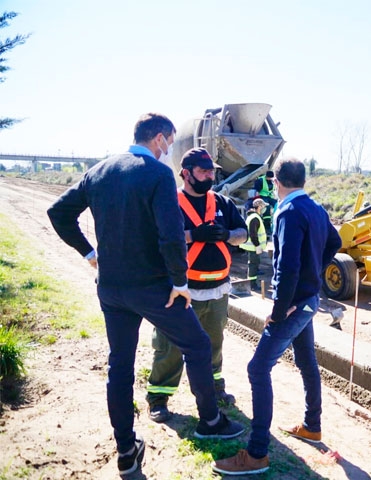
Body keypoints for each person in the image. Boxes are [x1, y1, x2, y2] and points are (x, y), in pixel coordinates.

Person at [46, 113, 245, 477]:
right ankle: (210, 422)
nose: (169, 148)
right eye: (169, 141)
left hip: (111, 288)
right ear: (158, 139)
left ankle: (126, 450)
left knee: (119, 366)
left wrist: (91, 254)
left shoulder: (99, 171)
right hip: (155, 288)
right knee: (198, 346)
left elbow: (58, 212)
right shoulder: (156, 174)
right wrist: (179, 283)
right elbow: (170, 236)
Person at [212, 158, 341, 476]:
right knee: (307, 362)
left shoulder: (287, 211)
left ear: (275, 180)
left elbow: (287, 268)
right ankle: (312, 426)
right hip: (309, 299)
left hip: (296, 303)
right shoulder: (315, 208)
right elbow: (335, 243)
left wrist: (279, 309)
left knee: (257, 369)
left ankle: (257, 454)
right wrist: (315, 275)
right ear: (303, 180)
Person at [145, 147, 248, 423]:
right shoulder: (170, 203)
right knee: (170, 346)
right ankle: (158, 397)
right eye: (203, 171)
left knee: (214, 342)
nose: (209, 175)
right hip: (181, 291)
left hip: (217, 291)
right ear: (186, 174)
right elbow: (158, 239)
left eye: (211, 171)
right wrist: (193, 235)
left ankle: (214, 387)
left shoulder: (223, 203)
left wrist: (227, 234)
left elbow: (243, 234)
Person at [240, 197, 268, 292]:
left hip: (252, 246)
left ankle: (252, 283)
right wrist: (257, 246)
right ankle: (252, 285)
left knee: (254, 265)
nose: (264, 208)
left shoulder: (253, 217)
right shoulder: (255, 218)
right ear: (259, 207)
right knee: (253, 265)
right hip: (253, 247)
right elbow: (253, 234)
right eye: (263, 206)